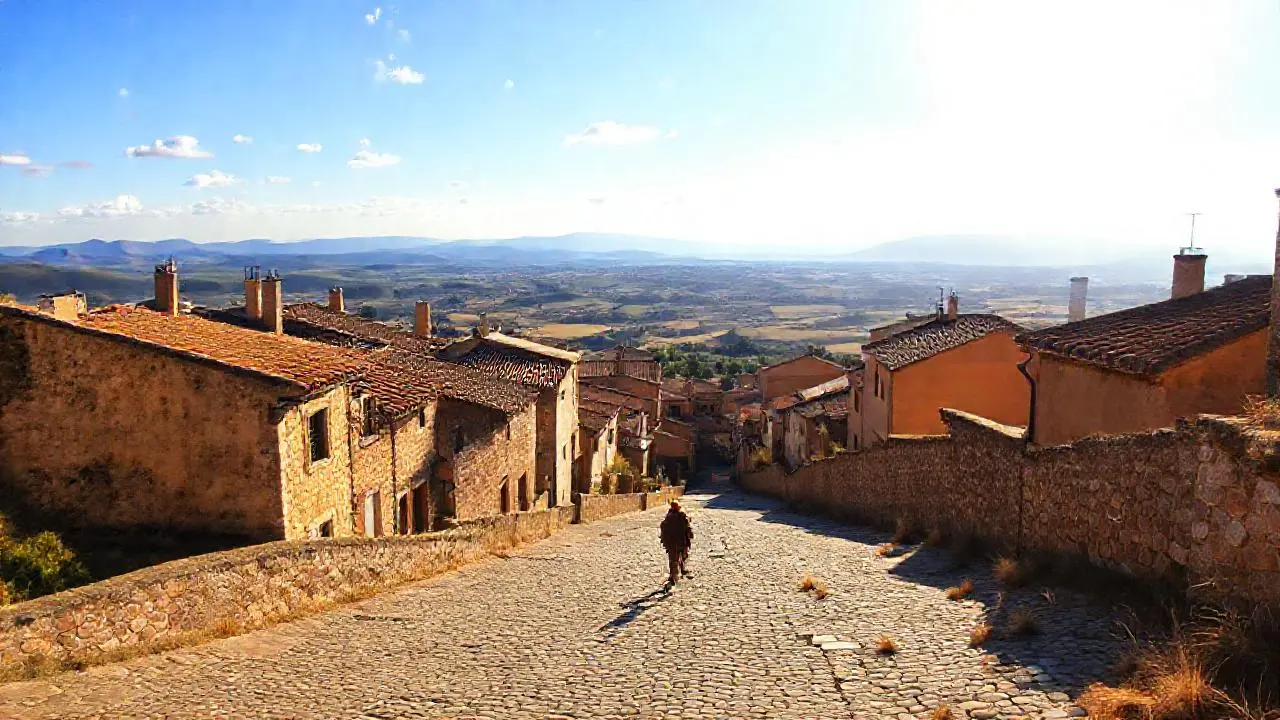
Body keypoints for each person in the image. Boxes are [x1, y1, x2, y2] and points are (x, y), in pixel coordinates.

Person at [659, 500, 693, 586]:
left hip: (671, 541)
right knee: (682, 555)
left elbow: (663, 527)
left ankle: (674, 574)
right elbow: (687, 526)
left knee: (673, 559)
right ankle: (677, 573)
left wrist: (664, 539)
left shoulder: (668, 516)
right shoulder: (682, 515)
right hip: (680, 540)